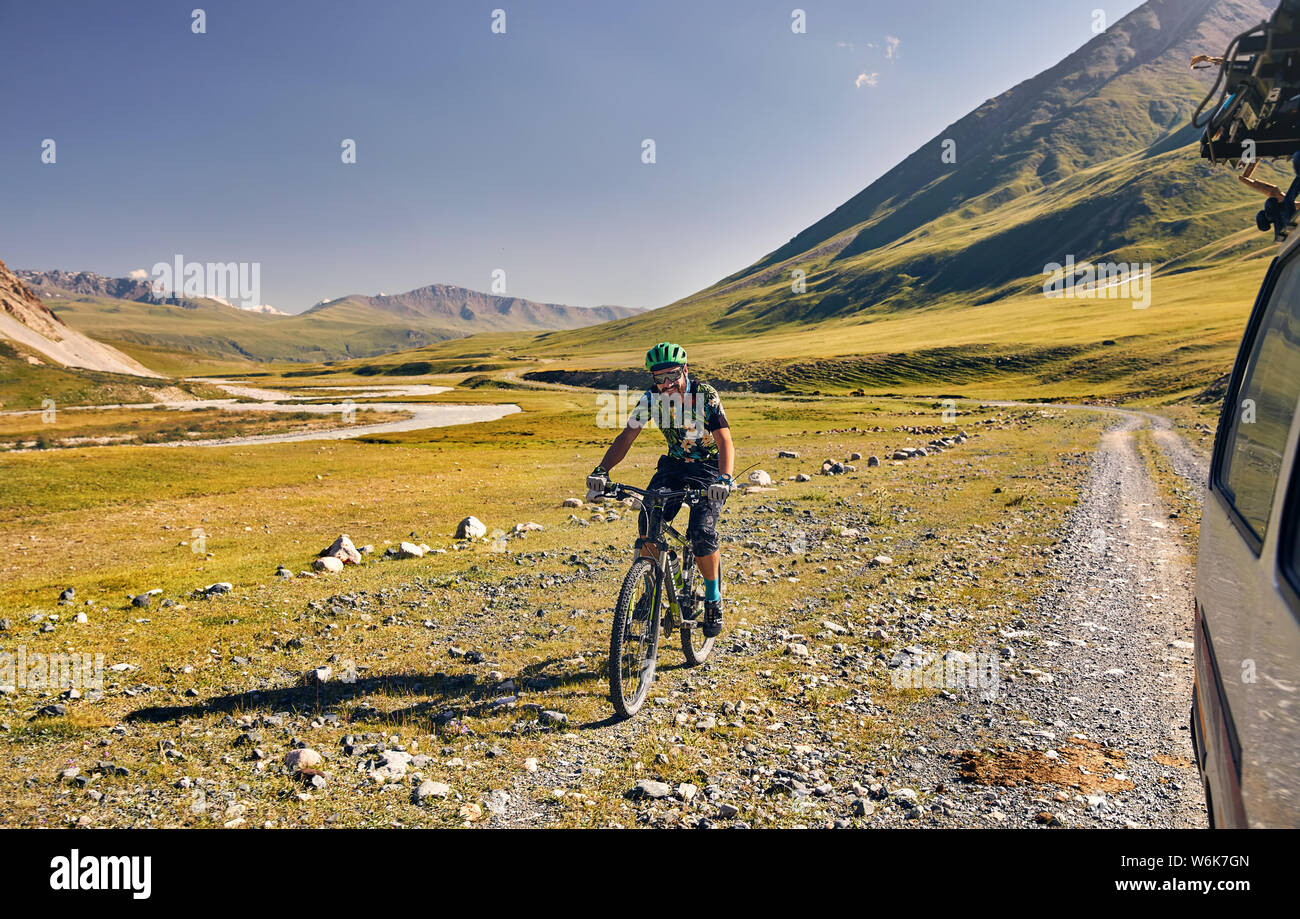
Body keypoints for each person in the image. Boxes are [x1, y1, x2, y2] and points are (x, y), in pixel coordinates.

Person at [585, 342, 734, 638]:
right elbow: (628, 435)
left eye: (673, 376)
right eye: (659, 378)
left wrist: (725, 479)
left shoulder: (705, 395)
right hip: (674, 466)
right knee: (649, 521)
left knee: (701, 532)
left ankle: (713, 598)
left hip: (708, 468)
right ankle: (652, 587)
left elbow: (724, 440)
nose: (667, 384)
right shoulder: (652, 398)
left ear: (685, 371)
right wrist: (602, 470)